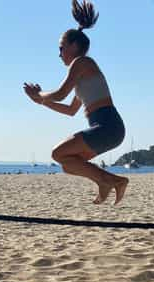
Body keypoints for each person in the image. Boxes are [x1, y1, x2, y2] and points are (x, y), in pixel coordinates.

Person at [23, 0, 128, 205]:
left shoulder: (81, 63)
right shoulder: (84, 74)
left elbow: (60, 93)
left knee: (57, 153)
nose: (59, 54)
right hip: (108, 128)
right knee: (68, 163)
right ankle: (105, 182)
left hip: (108, 126)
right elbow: (70, 110)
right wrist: (41, 102)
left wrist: (40, 95)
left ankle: (113, 181)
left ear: (73, 46)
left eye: (61, 48)